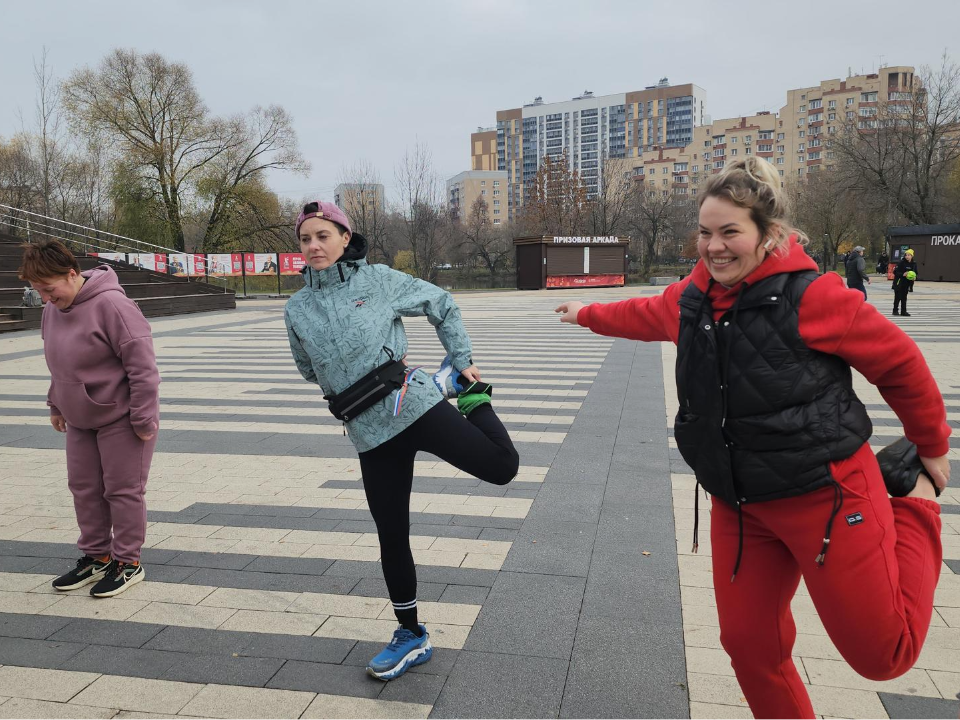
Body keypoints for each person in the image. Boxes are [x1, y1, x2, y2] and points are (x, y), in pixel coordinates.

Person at [555, 157, 949, 720]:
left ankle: (913, 507)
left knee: (884, 656)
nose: (714, 246)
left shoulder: (813, 297)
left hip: (827, 495)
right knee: (748, 647)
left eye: (730, 232)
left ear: (769, 236)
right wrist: (587, 312)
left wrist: (931, 445)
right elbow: (641, 313)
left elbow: (902, 364)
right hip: (739, 503)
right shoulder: (690, 301)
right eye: (705, 232)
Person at [285, 201, 519, 681]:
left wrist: (463, 358)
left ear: (345, 238)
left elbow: (443, 304)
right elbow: (308, 369)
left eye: (323, 236)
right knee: (391, 535)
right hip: (368, 433)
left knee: (501, 467)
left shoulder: (379, 281)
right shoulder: (296, 308)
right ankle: (411, 635)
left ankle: (468, 394)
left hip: (413, 405)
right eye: (306, 238)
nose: (313, 246)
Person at [19, 240, 160, 598]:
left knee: (122, 491)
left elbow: (143, 368)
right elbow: (57, 360)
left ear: (71, 274)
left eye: (49, 289)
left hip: (122, 418)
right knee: (84, 489)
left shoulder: (113, 305)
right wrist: (56, 403)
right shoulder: (54, 308)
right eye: (39, 292)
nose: (46, 299)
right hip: (79, 418)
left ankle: (128, 563)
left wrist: (143, 418)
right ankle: (97, 555)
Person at [892, 248, 918, 317]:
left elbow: (916, 273)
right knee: (897, 297)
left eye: (909, 255)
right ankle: (895, 310)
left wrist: (914, 277)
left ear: (912, 256)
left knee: (904, 297)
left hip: (907, 283)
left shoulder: (914, 264)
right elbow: (895, 272)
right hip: (899, 282)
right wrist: (903, 274)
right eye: (906, 255)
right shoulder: (901, 262)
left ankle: (903, 311)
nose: (907, 256)